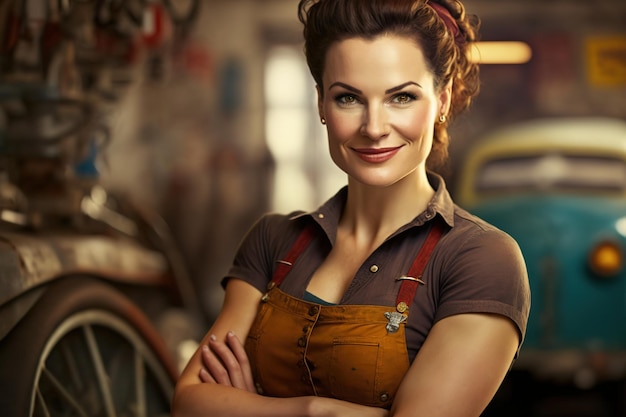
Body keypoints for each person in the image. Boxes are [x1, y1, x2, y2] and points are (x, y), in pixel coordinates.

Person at [172, 0, 531, 416]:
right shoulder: (272, 241)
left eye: (402, 97)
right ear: (322, 104)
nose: (374, 127)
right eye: (348, 98)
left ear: (443, 101)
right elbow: (188, 403)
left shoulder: (479, 260)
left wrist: (251, 406)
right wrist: (313, 411)